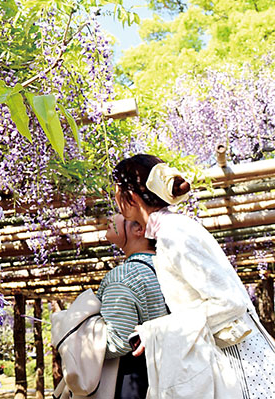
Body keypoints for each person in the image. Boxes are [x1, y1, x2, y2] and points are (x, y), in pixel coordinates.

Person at [112, 153, 275, 399]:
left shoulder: (174, 234)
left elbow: (229, 302)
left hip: (242, 368)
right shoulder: (172, 229)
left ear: (131, 197)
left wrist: (157, 329)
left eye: (115, 192)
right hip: (236, 362)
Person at [97, 213, 168, 399]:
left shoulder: (125, 276)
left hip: (134, 384)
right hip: (170, 374)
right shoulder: (171, 268)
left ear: (139, 229)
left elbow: (118, 341)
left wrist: (75, 339)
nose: (110, 216)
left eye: (123, 212)